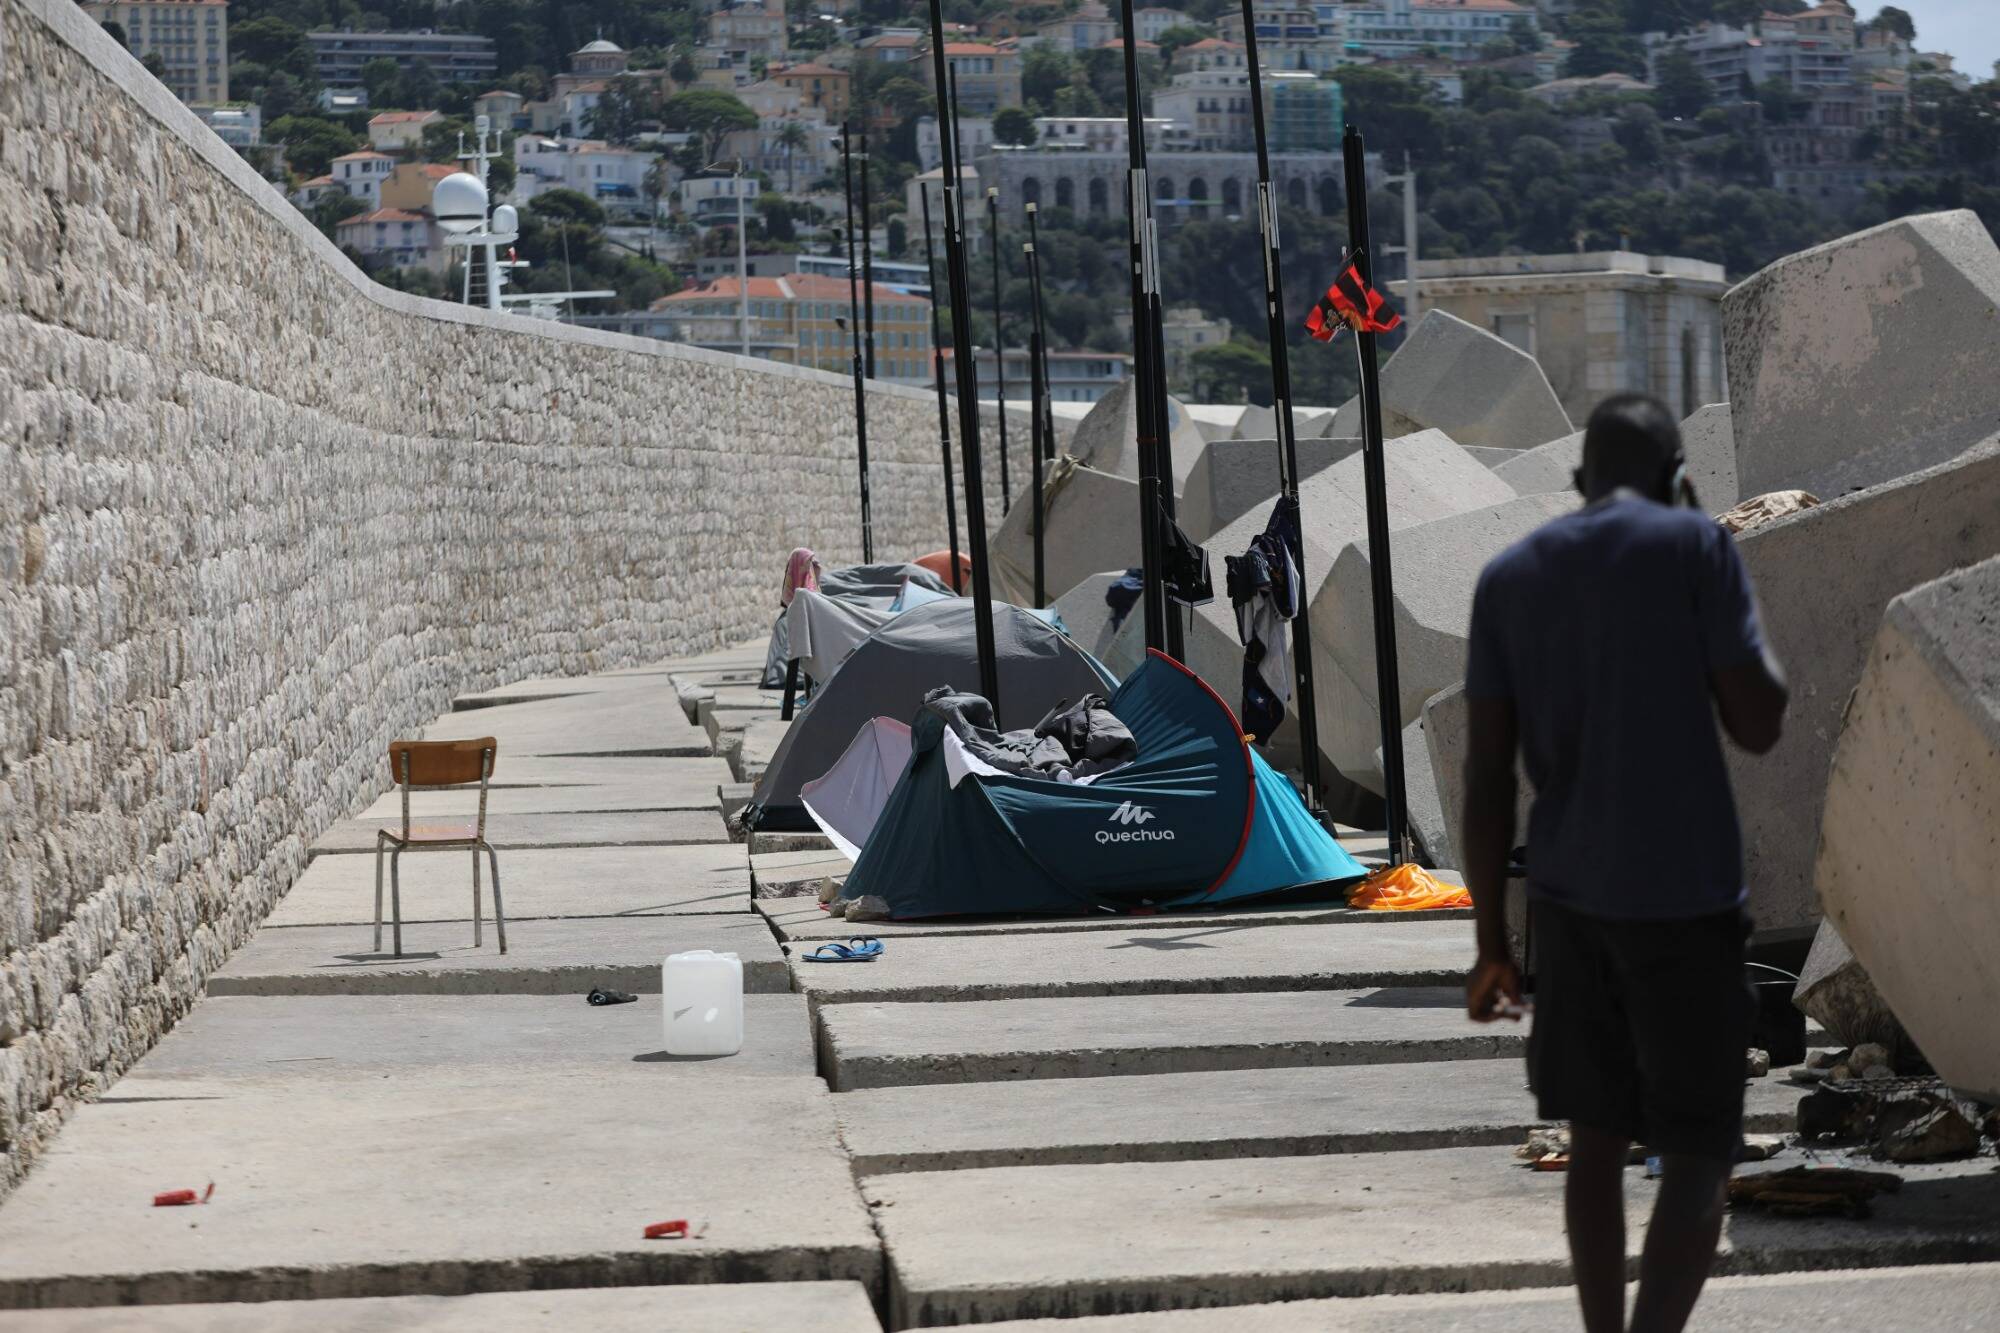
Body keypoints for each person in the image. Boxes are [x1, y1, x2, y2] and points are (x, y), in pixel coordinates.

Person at [1459, 394, 1789, 1333]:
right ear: (1677, 474)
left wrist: (1492, 946)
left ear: (1579, 481)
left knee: (1595, 1141)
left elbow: (1486, 780)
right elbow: (1760, 723)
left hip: (1566, 902)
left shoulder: (1508, 576)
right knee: (1695, 1149)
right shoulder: (1695, 548)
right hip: (1686, 899)